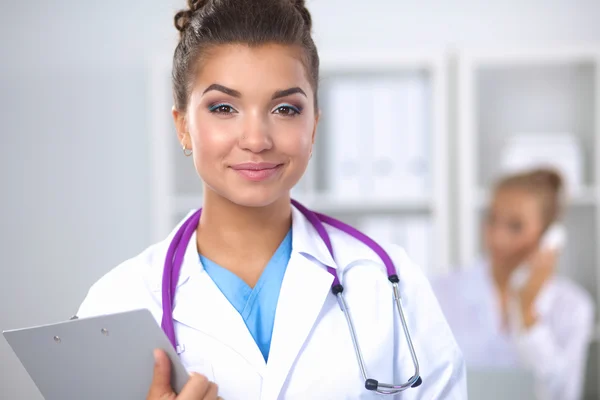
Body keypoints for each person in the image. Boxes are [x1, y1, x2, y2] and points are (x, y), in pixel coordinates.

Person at [76, 0, 466, 398]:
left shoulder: (388, 281)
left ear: (313, 127)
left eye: (285, 108)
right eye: (223, 108)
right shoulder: (116, 304)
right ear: (183, 128)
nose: (257, 140)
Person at [432, 168, 595, 400]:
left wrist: (527, 314)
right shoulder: (442, 290)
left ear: (549, 237)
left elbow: (563, 393)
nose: (497, 237)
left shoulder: (573, 306)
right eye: (492, 219)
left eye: (515, 226)